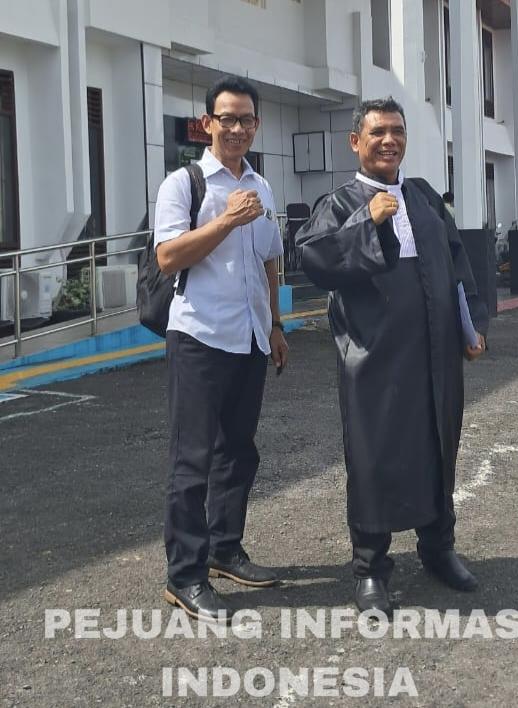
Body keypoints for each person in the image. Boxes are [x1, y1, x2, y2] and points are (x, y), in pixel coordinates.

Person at [296, 97, 488, 615]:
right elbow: (313, 258)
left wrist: (471, 326)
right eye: (377, 131)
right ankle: (371, 569)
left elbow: (457, 263)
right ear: (355, 141)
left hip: (435, 353)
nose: (389, 140)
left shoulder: (423, 196)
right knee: (374, 456)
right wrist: (367, 221)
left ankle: (438, 548)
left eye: (397, 131)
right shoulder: (339, 203)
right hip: (374, 358)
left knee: (438, 445)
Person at [154, 75, 288, 622]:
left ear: (257, 125)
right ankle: (185, 575)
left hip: (250, 336)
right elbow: (168, 257)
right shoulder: (183, 184)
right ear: (207, 122)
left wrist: (275, 324)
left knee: (238, 451)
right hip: (199, 337)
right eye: (226, 118)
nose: (236, 128)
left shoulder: (263, 186)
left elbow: (270, 258)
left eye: (246, 119)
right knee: (192, 460)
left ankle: (224, 549)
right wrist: (227, 219)